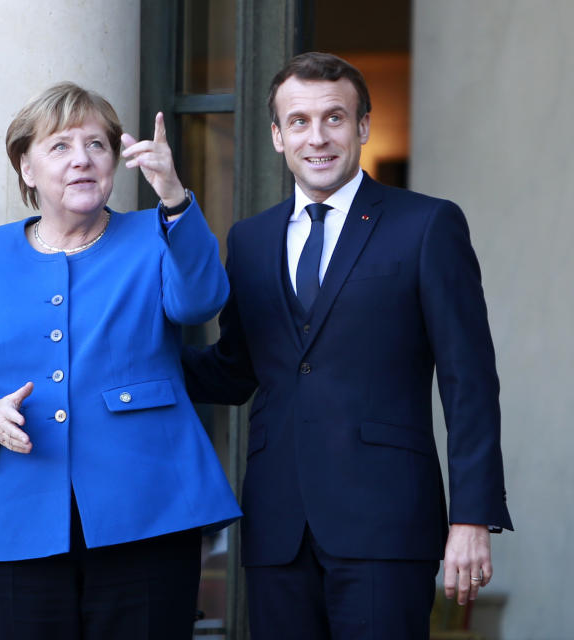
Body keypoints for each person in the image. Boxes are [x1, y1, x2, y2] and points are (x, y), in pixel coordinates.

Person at [182, 52, 513, 639]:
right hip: (277, 524)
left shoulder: (427, 226)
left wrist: (471, 516)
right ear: (278, 136)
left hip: (386, 521)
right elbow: (235, 371)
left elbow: (470, 381)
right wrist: (135, 358)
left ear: (362, 127)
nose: (318, 137)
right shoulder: (250, 239)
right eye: (300, 122)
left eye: (334, 118)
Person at [0, 81, 240, 639]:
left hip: (148, 511)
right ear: (26, 167)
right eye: (60, 146)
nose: (81, 160)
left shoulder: (155, 233)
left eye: (97, 145)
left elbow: (200, 300)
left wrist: (174, 196)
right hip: (16, 516)